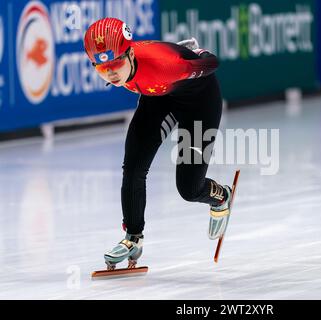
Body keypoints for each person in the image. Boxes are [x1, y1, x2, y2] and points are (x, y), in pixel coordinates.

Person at [83, 17, 232, 269]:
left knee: (189, 189)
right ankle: (133, 238)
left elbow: (212, 64)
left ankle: (221, 197)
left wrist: (200, 54)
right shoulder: (120, 65)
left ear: (129, 53)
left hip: (199, 102)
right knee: (133, 167)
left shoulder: (166, 65)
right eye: (101, 68)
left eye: (116, 63)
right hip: (159, 97)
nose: (110, 72)